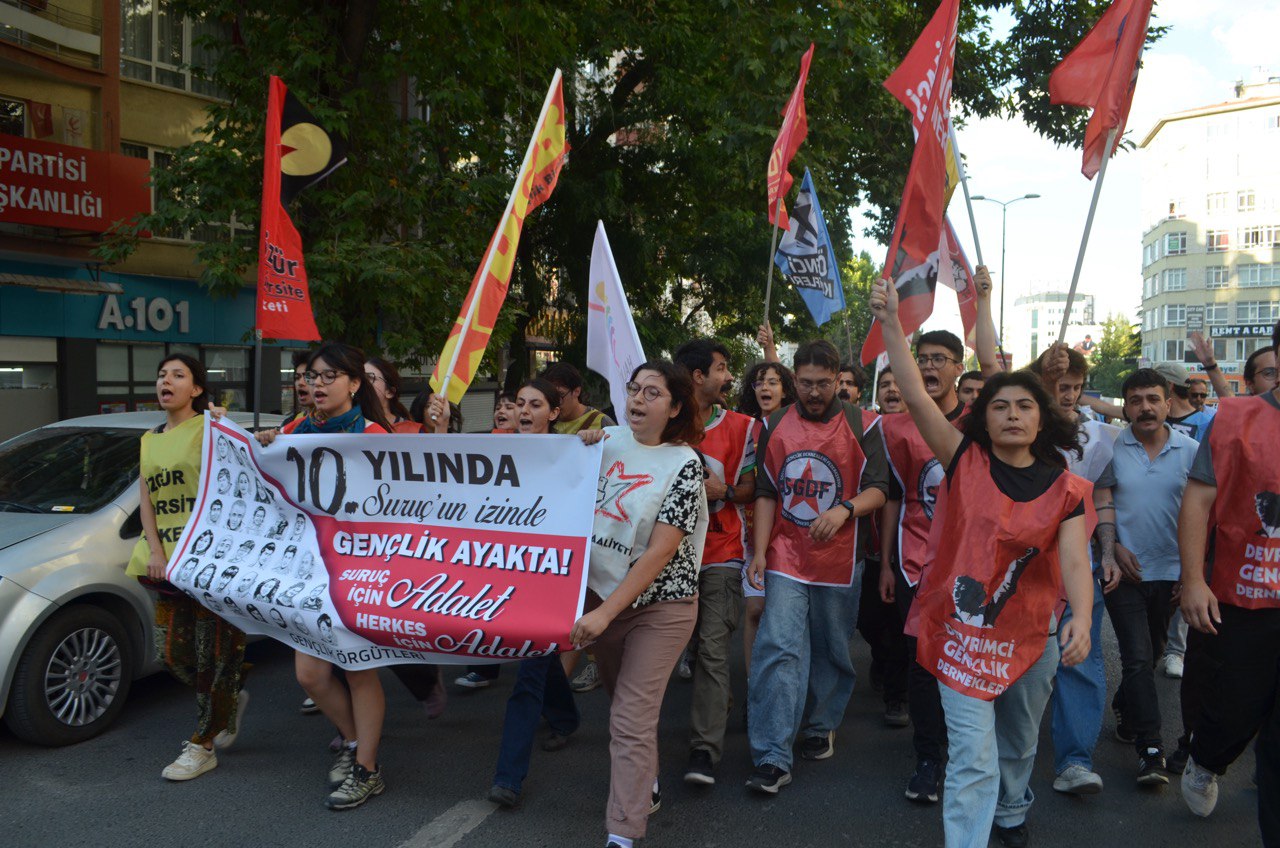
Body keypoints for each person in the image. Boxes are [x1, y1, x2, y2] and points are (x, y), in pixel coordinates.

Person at [870, 277, 1095, 848]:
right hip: (962, 636)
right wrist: (893, 324)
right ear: (983, 418)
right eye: (1000, 406)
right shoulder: (961, 460)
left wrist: (1084, 619)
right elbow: (919, 399)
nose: (1013, 415)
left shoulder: (1068, 489)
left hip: (1034, 635)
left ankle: (1013, 811)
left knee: (1019, 742)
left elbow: (1074, 564)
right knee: (973, 755)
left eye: (1025, 405)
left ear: (1042, 418)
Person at [572, 362, 709, 848]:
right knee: (624, 705)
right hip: (600, 601)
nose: (637, 399)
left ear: (674, 408)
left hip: (661, 607)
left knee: (631, 716)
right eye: (633, 389)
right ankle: (642, 774)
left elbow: (661, 550)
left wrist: (606, 613)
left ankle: (622, 833)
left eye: (652, 393)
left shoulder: (686, 465)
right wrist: (576, 449)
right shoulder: (604, 441)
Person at [745, 340, 889, 793]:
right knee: (779, 645)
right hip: (786, 556)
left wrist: (845, 509)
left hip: (841, 560)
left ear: (836, 380)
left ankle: (820, 723)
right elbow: (767, 490)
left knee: (831, 646)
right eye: (804, 383)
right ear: (794, 379)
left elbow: (880, 489)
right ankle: (772, 753)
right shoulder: (772, 424)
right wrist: (759, 552)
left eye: (822, 384)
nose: (812, 392)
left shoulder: (864, 424)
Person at [256, 341, 392, 810]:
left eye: (328, 376)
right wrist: (266, 446)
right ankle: (354, 743)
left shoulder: (376, 436)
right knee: (311, 674)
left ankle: (368, 769)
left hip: (361, 572)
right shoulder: (293, 430)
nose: (316, 385)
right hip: (310, 574)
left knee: (358, 671)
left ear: (354, 384)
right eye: (311, 377)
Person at [1176, 322, 1280, 843]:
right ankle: (1205, 757)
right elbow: (1198, 499)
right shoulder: (1237, 418)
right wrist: (1192, 579)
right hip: (1244, 596)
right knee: (1238, 707)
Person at [127, 354, 248, 781]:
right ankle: (228, 696)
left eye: (178, 375)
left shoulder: (212, 429)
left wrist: (225, 424)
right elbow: (147, 501)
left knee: (212, 653)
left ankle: (202, 744)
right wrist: (156, 552)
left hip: (213, 561)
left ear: (196, 389)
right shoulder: (149, 439)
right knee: (173, 656)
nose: (166, 380)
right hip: (166, 563)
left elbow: (245, 472)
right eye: (161, 374)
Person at [1093, 368, 1197, 786]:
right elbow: (1102, 501)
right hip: (1125, 574)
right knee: (1136, 657)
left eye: (1153, 399)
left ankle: (1127, 706)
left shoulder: (1191, 451)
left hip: (1173, 575)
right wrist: (1112, 548)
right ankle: (1150, 750)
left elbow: (1202, 515)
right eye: (1136, 400)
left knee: (1151, 654)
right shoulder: (1112, 450)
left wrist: (1192, 574)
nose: (1145, 408)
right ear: (1126, 407)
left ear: (1168, 403)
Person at [878, 327, 968, 802]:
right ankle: (929, 758)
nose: (930, 366)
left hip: (973, 567)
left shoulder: (982, 421)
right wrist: (888, 565)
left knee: (966, 663)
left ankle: (972, 755)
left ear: (959, 366)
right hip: (916, 563)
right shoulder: (897, 427)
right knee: (921, 663)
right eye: (923, 359)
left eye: (940, 359)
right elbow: (896, 494)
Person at [1029, 343, 1121, 797]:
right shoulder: (1027, 426)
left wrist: (1105, 553)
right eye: (1060, 386)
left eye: (1076, 388)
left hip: (1075, 565)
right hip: (1022, 568)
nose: (1068, 394)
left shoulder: (1099, 438)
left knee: (1079, 658)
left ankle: (1074, 762)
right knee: (1018, 656)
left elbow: (1103, 500)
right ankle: (996, 753)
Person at [487, 379, 581, 808]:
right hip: (507, 575)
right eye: (519, 404)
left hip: (550, 580)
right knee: (541, 659)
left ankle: (508, 777)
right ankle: (565, 716)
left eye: (535, 404)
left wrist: (592, 441)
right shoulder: (493, 450)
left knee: (527, 672)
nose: (524, 411)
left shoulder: (574, 451)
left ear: (553, 414)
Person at [673, 340, 756, 787]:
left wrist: (722, 491)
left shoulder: (744, 427)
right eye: (722, 368)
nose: (729, 377)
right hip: (666, 556)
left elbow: (753, 489)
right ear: (697, 377)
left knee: (711, 648)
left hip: (722, 553)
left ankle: (704, 749)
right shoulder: (663, 421)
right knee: (660, 650)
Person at [541, 361, 615, 694]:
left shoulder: (601, 423)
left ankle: (592, 664)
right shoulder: (547, 423)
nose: (555, 405)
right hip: (551, 524)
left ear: (577, 392)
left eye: (560, 397)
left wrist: (600, 441)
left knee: (588, 602)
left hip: (589, 528)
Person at [736, 361, 798, 679]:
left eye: (773, 382)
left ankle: (783, 683)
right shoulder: (745, 429)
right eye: (759, 382)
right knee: (755, 610)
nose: (765, 388)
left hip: (790, 540)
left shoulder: (797, 428)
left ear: (786, 389)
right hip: (751, 536)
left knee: (784, 618)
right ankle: (754, 686)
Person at [542, 361, 616, 434]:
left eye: (560, 394)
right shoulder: (545, 421)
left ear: (577, 391)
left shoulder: (602, 422)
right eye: (551, 396)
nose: (555, 402)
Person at [365, 357, 422, 434]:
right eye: (361, 378)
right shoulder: (349, 425)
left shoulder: (412, 431)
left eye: (370, 378)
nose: (362, 383)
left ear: (390, 392)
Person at [291, 350, 314, 419]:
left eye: (308, 377)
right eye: (297, 377)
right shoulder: (291, 422)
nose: (300, 383)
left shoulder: (337, 424)